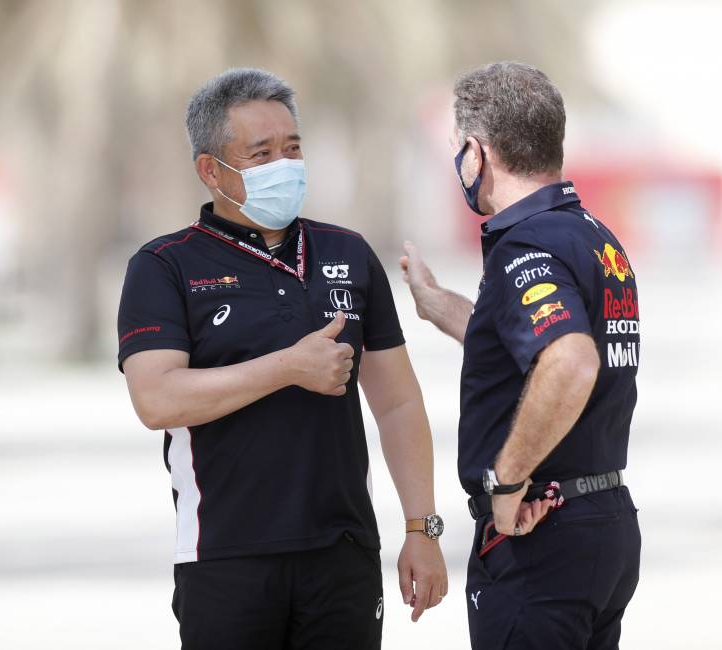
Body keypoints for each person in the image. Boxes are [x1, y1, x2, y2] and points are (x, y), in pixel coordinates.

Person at [116, 68, 447, 650]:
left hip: (342, 553)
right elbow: (156, 399)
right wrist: (286, 369)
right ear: (211, 170)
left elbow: (396, 403)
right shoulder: (165, 266)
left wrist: (422, 529)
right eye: (261, 152)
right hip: (224, 555)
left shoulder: (347, 252)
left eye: (292, 147)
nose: (285, 165)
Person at [400, 62, 640, 649]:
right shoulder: (590, 235)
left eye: (458, 148)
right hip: (602, 523)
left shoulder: (525, 248)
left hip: (541, 533)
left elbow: (570, 359)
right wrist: (439, 306)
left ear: (477, 153)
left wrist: (507, 484)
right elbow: (526, 344)